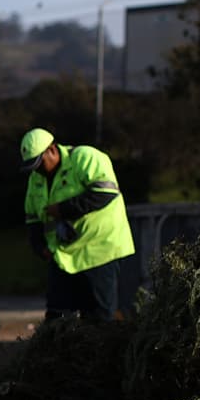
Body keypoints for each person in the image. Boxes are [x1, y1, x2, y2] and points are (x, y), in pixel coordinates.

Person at [20, 127, 134, 320]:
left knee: (99, 318)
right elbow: (33, 217)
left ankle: (100, 350)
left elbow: (105, 194)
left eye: (40, 164)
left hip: (99, 251)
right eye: (32, 167)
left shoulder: (85, 158)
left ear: (52, 150)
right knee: (57, 317)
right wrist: (39, 246)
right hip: (64, 256)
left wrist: (63, 209)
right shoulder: (36, 179)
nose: (37, 170)